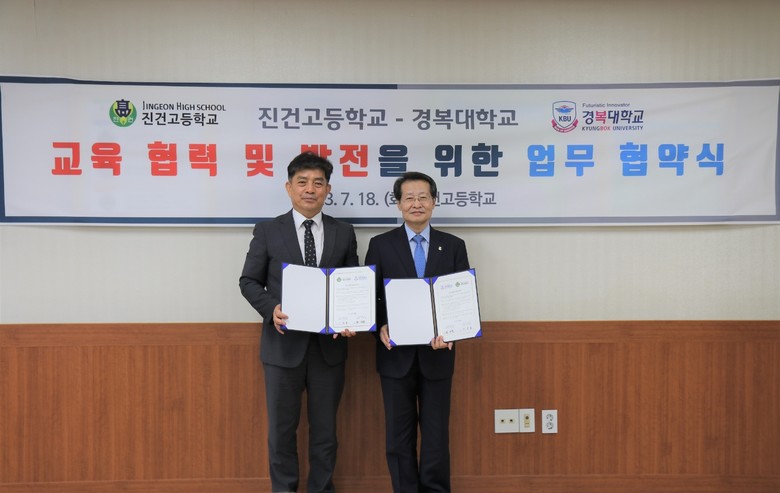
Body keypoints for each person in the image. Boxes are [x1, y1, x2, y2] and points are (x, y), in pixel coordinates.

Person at [239, 151, 359, 493]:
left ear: (328, 189)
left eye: (318, 183)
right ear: (289, 187)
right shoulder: (268, 231)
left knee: (325, 433)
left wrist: (350, 317)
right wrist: (271, 308)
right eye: (302, 182)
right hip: (282, 348)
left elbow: (352, 283)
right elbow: (248, 281)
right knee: (281, 432)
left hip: (328, 349)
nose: (310, 189)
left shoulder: (343, 232)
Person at [365, 171, 470, 493]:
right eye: (409, 198)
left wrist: (452, 331)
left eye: (423, 197)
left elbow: (460, 298)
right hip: (395, 356)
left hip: (438, 355)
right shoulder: (380, 245)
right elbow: (369, 298)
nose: (416, 204)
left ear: (434, 202)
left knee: (436, 436)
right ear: (398, 204)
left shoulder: (453, 246)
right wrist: (380, 327)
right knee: (399, 437)